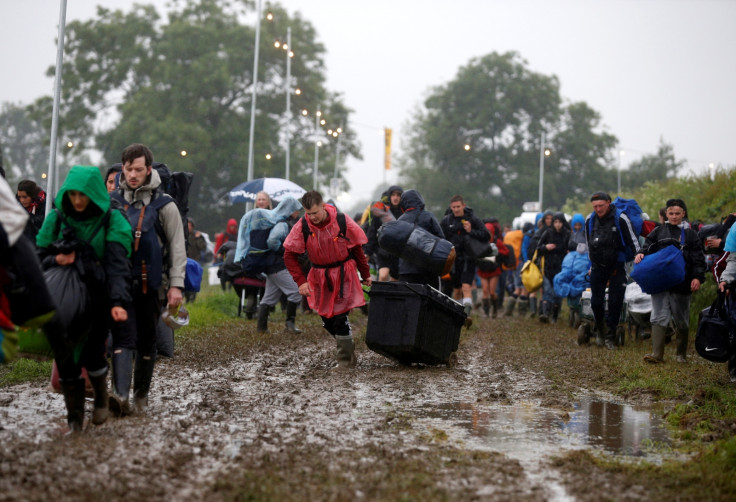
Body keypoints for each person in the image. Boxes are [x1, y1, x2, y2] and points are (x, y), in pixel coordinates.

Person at [36, 165, 133, 431]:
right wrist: (57, 258)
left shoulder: (111, 220)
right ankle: (75, 422)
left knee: (92, 356)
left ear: (94, 193)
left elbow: (117, 266)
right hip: (61, 303)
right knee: (66, 361)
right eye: (73, 194)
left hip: (96, 303)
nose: (78, 201)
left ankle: (101, 398)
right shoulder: (56, 218)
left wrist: (118, 302)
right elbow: (37, 258)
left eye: (84, 195)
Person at [109, 143, 186, 415]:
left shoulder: (165, 205)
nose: (132, 174)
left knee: (146, 339)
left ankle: (140, 398)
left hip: (153, 286)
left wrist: (176, 285)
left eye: (138, 169)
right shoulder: (112, 202)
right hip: (119, 285)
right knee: (122, 337)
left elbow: (177, 247)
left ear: (148, 169)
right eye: (128, 169)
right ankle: (119, 397)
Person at [283, 191, 371, 369]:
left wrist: (365, 274)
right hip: (319, 276)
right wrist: (301, 281)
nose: (312, 217)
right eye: (308, 214)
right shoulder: (303, 226)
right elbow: (289, 255)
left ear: (323, 206)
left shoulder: (341, 221)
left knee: (339, 317)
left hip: (343, 273)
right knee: (327, 320)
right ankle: (348, 346)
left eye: (315, 213)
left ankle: (345, 361)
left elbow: (357, 250)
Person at [637, 198, 705, 363]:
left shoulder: (690, 234)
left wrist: (697, 277)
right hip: (660, 282)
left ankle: (681, 355)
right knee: (658, 316)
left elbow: (698, 259)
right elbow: (647, 247)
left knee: (681, 319)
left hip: (682, 283)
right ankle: (657, 354)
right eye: (671, 213)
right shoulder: (658, 231)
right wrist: (641, 253)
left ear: (683, 214)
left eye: (677, 213)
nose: (674, 216)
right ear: (666, 214)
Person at [234, 196, 304, 334]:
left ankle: (262, 328)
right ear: (290, 210)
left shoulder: (276, 221)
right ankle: (289, 325)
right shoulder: (282, 224)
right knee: (296, 292)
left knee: (269, 298)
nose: (298, 213)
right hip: (277, 266)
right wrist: (284, 251)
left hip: (271, 267)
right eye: (296, 210)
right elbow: (272, 242)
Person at [584, 191, 640, 350]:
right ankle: (601, 331)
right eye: (595, 206)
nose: (598, 209)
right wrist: (590, 265)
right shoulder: (590, 219)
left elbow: (633, 242)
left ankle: (610, 336)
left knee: (616, 302)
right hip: (597, 266)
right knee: (596, 302)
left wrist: (640, 257)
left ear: (609, 202)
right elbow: (589, 245)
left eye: (601, 205)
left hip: (617, 266)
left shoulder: (621, 218)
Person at [440, 195, 490, 324]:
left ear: (463, 205)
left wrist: (471, 230)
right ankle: (457, 317)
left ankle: (467, 314)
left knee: (466, 287)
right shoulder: (446, 220)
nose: (456, 209)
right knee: (456, 290)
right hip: (454, 260)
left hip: (469, 257)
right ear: (451, 208)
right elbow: (440, 237)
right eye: (453, 207)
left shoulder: (472, 218)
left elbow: (486, 235)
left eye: (458, 206)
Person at [393, 189, 444, 287]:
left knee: (410, 300)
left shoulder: (400, 220)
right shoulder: (428, 216)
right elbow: (441, 238)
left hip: (406, 270)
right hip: (428, 268)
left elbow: (395, 247)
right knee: (431, 299)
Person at [365, 185, 403, 282]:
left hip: (398, 253)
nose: (396, 197)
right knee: (383, 276)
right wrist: (368, 252)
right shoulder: (381, 212)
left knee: (395, 280)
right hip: (383, 251)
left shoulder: (404, 213)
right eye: (393, 195)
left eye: (398, 195)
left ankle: (390, 297)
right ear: (389, 196)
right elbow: (372, 232)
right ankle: (381, 295)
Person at [537, 212, 570, 323]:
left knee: (557, 293)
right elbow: (538, 248)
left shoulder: (567, 234)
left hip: (561, 268)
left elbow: (571, 248)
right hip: (548, 267)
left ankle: (554, 316)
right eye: (555, 222)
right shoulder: (547, 233)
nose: (557, 224)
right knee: (547, 291)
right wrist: (546, 247)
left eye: (559, 222)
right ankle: (545, 313)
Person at [477, 218, 509, 318]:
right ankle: (486, 313)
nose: (488, 235)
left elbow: (506, 252)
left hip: (494, 270)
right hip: (483, 269)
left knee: (492, 292)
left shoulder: (497, 242)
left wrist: (497, 253)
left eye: (490, 232)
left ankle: (495, 308)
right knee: (485, 291)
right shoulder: (481, 242)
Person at [501, 222, 526, 317]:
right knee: (523, 288)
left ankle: (508, 310)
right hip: (520, 263)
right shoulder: (520, 235)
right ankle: (522, 312)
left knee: (517, 288)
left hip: (513, 264)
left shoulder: (508, 235)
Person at [16, 179, 46, 244]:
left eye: (25, 197)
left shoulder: (47, 206)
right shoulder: (18, 207)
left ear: (33, 196)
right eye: (19, 197)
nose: (22, 200)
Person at [185, 217, 208, 303]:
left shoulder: (198, 235)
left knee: (194, 280)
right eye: (187, 225)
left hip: (195, 262)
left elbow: (203, 247)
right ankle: (187, 297)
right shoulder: (182, 235)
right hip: (185, 261)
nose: (189, 227)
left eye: (190, 225)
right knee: (185, 280)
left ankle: (192, 298)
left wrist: (198, 238)